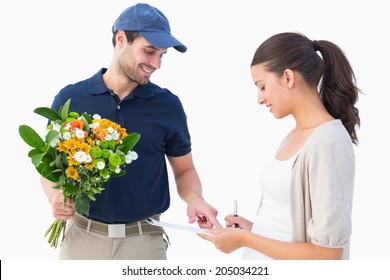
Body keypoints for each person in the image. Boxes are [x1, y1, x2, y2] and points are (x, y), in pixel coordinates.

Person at [40, 3, 222, 260]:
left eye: (162, 55)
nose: (156, 63)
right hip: (82, 239)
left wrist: (195, 199)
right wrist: (54, 194)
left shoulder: (167, 105)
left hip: (144, 243)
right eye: (149, 52)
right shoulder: (70, 99)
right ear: (121, 39)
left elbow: (184, 169)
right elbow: (48, 165)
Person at [200, 32, 360, 260]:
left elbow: (328, 254)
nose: (260, 98)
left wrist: (246, 240)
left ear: (287, 77)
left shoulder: (328, 142)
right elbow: (288, 226)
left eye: (262, 86)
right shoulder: (296, 135)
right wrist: (254, 230)